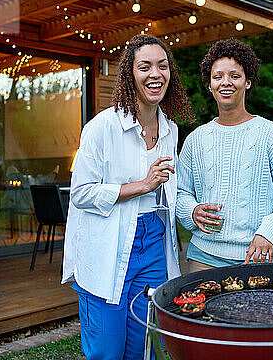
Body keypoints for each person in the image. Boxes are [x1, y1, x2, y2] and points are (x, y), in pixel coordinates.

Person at [61, 34, 195, 360]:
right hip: (107, 245)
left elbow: (170, 191)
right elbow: (80, 193)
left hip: (154, 243)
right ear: (129, 74)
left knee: (141, 347)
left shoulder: (170, 129)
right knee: (107, 350)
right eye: (145, 66)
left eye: (162, 66)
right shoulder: (101, 128)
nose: (155, 74)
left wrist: (192, 210)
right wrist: (141, 185)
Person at [176, 38, 273, 273]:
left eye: (234, 76)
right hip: (203, 257)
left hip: (258, 256)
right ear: (209, 85)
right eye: (217, 77)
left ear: (248, 82)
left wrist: (269, 232)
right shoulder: (195, 140)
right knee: (200, 311)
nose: (225, 82)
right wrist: (191, 211)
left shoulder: (270, 134)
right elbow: (179, 193)